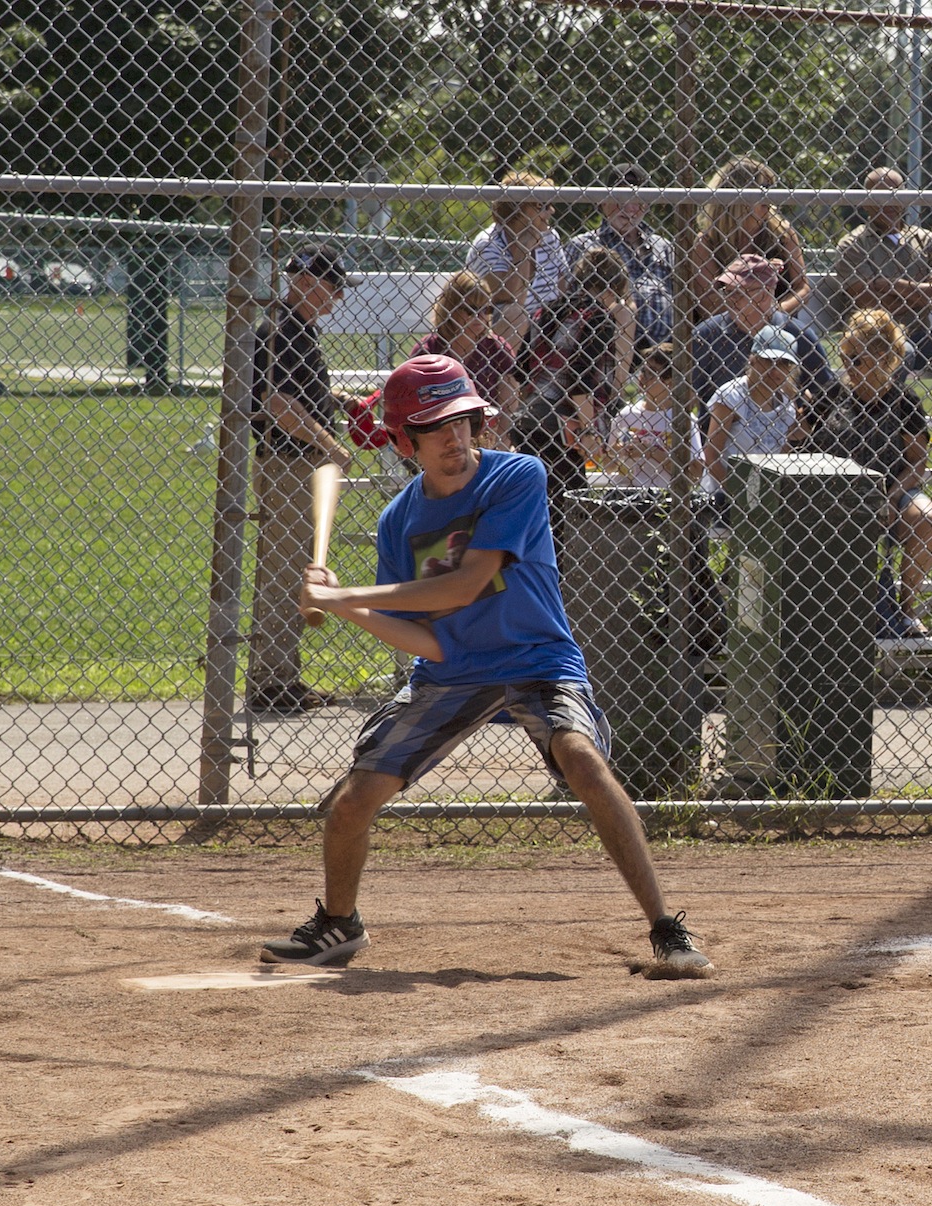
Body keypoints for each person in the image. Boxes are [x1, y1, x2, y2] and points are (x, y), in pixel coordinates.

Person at [277, 353, 714, 979]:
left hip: (537, 658)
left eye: (463, 422)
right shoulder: (398, 521)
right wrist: (338, 602)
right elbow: (423, 640)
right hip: (451, 670)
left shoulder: (518, 479)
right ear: (405, 441)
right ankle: (339, 924)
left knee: (582, 758)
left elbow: (466, 583)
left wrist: (343, 597)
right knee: (354, 800)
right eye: (435, 428)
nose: (454, 439)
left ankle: (666, 928)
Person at [247, 245, 358, 716]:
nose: (336, 299)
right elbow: (276, 403)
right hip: (288, 461)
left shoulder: (296, 329)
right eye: (332, 288)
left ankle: (282, 677)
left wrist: (335, 398)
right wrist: (328, 443)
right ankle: (270, 683)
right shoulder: (281, 330)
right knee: (284, 573)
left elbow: (298, 392)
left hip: (298, 462)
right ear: (309, 282)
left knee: (294, 570)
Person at [834, 166, 932, 464]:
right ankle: (888, 444)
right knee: (903, 355)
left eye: (896, 194)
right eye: (880, 197)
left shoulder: (925, 240)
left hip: (922, 333)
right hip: (878, 340)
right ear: (865, 203)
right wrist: (924, 287)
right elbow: (864, 297)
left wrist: (892, 285)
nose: (889, 203)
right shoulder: (853, 244)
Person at [806, 309, 932, 636]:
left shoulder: (904, 402)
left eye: (857, 359)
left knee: (926, 516)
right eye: (845, 357)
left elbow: (917, 462)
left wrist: (891, 496)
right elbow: (803, 449)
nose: (848, 367)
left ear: (885, 358)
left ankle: (906, 610)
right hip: (833, 492)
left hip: (891, 489)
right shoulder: (830, 395)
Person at [509, 247, 637, 501]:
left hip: (530, 421)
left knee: (534, 500)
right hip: (565, 432)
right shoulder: (598, 318)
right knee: (570, 505)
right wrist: (589, 433)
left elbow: (521, 369)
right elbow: (581, 383)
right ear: (613, 290)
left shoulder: (547, 310)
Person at [689, 254, 832, 414]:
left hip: (784, 432)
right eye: (727, 291)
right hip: (718, 433)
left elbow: (826, 392)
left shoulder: (799, 335)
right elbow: (686, 394)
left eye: (739, 292)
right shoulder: (707, 334)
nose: (731, 298)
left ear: (765, 293)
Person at [564, 163, 677, 352]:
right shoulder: (583, 245)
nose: (629, 208)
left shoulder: (664, 246)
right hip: (604, 351)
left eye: (638, 199)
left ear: (647, 205)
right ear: (603, 201)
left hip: (666, 352)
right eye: (621, 198)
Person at [686, 157, 811, 319]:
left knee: (809, 339)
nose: (770, 196)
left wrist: (774, 313)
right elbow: (708, 303)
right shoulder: (707, 242)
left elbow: (802, 288)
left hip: (777, 325)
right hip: (725, 330)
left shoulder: (783, 234)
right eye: (763, 188)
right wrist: (749, 318)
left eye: (772, 188)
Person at [409, 270, 519, 444]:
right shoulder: (429, 350)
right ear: (450, 308)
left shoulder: (497, 349)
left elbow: (508, 408)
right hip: (439, 436)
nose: (479, 316)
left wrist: (501, 444)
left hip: (487, 437)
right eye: (470, 309)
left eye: (486, 309)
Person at [464, 169, 567, 344]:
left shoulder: (550, 237)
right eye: (541, 206)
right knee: (514, 313)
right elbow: (510, 296)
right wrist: (524, 249)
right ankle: (505, 371)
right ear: (517, 209)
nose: (551, 211)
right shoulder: (488, 244)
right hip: (496, 335)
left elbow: (563, 288)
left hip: (547, 325)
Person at [702, 327, 802, 496]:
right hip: (723, 495)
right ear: (753, 360)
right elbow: (711, 455)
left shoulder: (785, 404)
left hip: (766, 496)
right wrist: (738, 495)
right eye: (769, 360)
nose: (775, 371)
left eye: (783, 364)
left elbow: (784, 452)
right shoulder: (731, 396)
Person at [606, 342, 701, 488]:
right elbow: (608, 465)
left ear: (670, 381)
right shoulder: (626, 415)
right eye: (643, 370)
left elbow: (695, 474)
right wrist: (619, 451)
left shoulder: (682, 420)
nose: (643, 377)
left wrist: (650, 452)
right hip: (626, 495)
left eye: (651, 372)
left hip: (665, 499)